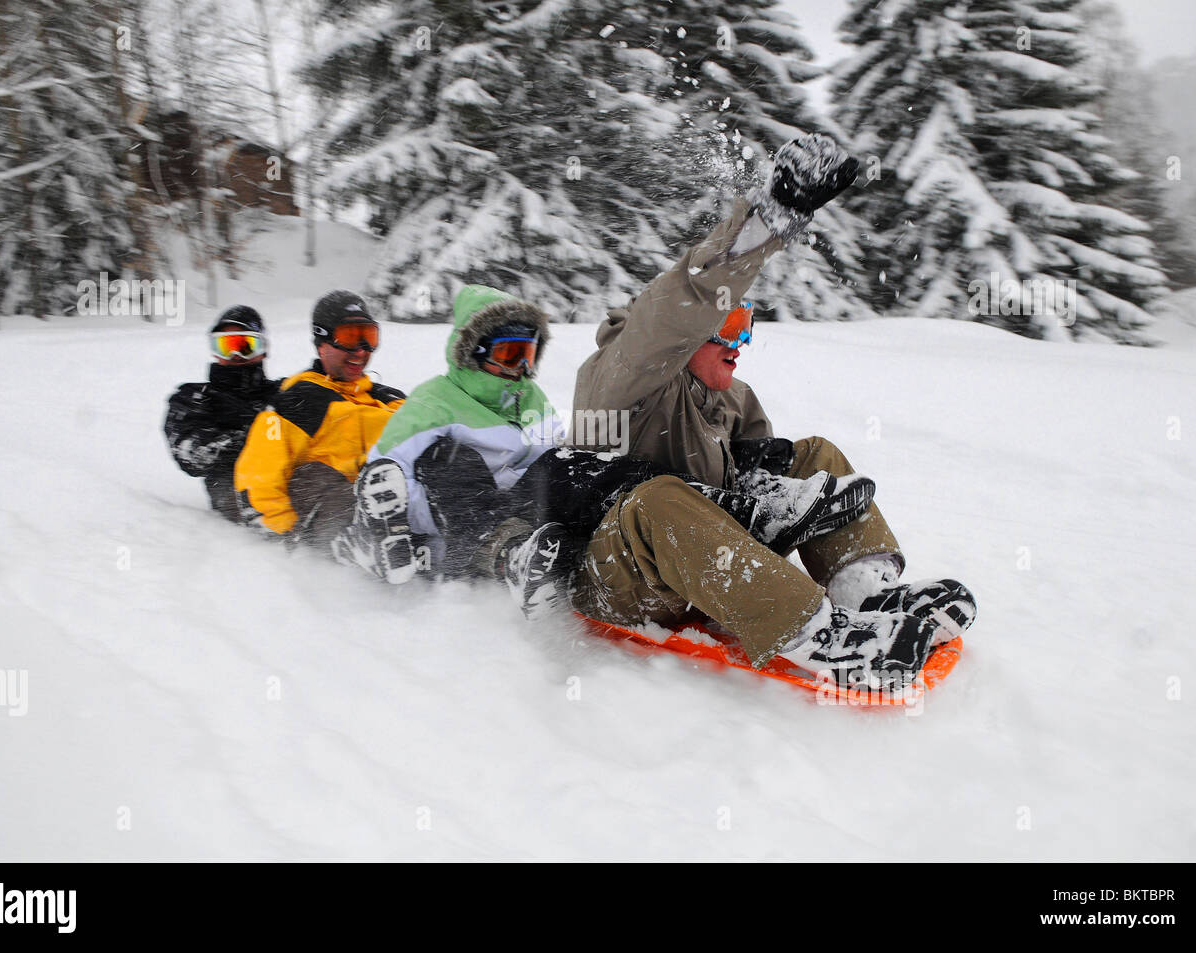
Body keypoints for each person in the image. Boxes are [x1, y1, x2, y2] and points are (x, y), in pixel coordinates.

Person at [567, 132, 977, 689]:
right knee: (659, 497)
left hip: (702, 574)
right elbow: (675, 306)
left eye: (747, 328)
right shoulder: (621, 376)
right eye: (727, 329)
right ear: (684, 338)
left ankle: (864, 592)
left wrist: (767, 483)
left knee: (815, 455)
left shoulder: (733, 399)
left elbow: (767, 486)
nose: (739, 345)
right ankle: (820, 636)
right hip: (620, 577)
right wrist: (768, 220)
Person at [346, 284, 874, 617]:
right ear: (471, 353)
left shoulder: (527, 397)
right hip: (463, 521)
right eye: (507, 353)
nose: (521, 367)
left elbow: (553, 458)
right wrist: (405, 532)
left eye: (527, 353)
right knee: (455, 461)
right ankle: (510, 555)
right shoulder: (434, 400)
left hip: (531, 510)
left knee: (606, 469)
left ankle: (736, 513)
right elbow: (385, 474)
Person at [233, 290, 405, 551]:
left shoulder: (391, 399)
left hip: (403, 501)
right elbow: (258, 476)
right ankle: (362, 546)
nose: (361, 351)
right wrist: (286, 531)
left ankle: (475, 549)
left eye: (368, 337)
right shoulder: (297, 402)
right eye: (349, 337)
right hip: (338, 514)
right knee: (315, 476)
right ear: (321, 342)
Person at [164, 306, 280, 522]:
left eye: (246, 346)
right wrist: (258, 436)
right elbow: (192, 456)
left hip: (298, 486)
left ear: (263, 349)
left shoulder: (284, 393)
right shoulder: (195, 399)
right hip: (242, 502)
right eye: (226, 346)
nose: (236, 355)